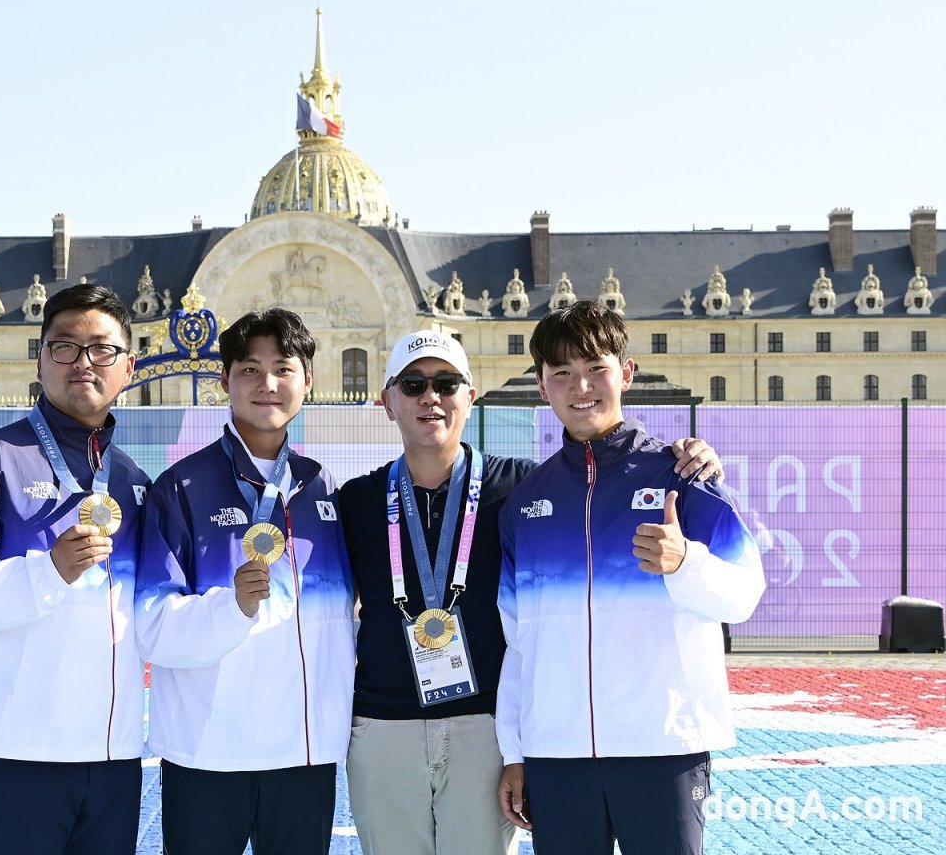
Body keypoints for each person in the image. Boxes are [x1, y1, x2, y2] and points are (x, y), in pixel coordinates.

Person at [340, 330, 725, 855]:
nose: (430, 396)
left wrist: (691, 460)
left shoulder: (519, 490)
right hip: (384, 726)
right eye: (413, 385)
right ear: (388, 402)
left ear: (469, 396)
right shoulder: (355, 501)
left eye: (446, 383)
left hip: (483, 727)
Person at [496, 300, 765, 855]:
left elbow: (743, 594)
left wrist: (685, 561)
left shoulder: (684, 474)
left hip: (663, 746)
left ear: (627, 372)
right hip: (557, 753)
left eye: (596, 367)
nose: (582, 387)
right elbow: (517, 642)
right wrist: (515, 751)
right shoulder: (524, 502)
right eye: (562, 374)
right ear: (542, 388)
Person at [0, 284, 150, 854]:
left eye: (101, 349)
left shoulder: (134, 483)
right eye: (64, 347)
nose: (82, 362)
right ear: (39, 361)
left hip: (114, 755)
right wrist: (49, 572)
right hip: (15, 754)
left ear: (128, 366)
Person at [136, 308, 354, 855]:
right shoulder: (181, 487)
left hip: (303, 752)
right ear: (225, 380)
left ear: (308, 381)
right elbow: (152, 626)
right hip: (210, 751)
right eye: (250, 370)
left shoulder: (321, 486)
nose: (268, 384)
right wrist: (231, 606)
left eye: (284, 368)